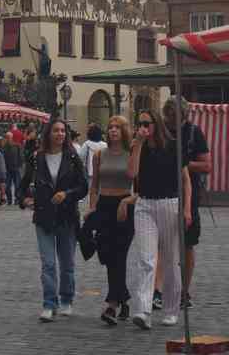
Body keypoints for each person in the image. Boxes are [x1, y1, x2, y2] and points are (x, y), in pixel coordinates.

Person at [126, 109, 192, 331]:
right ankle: (143, 310)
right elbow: (131, 174)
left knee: (171, 260)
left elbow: (186, 180)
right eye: (140, 123)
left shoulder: (173, 146)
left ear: (157, 124)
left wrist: (187, 209)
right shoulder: (139, 146)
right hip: (145, 204)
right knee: (146, 259)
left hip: (169, 203)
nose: (143, 127)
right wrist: (138, 144)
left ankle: (171, 309)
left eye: (147, 123)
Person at [18, 118, 88, 322]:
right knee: (48, 263)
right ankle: (49, 303)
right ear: (48, 133)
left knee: (67, 264)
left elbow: (83, 186)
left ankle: (66, 298)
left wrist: (67, 194)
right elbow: (23, 187)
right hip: (44, 216)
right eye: (56, 130)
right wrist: (25, 200)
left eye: (63, 131)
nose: (60, 134)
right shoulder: (36, 158)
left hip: (67, 216)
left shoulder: (72, 157)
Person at [156, 95, 211, 310]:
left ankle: (184, 292)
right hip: (161, 192)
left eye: (176, 117)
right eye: (169, 116)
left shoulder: (193, 133)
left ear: (184, 115)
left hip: (189, 195)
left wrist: (183, 164)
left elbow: (206, 166)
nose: (171, 121)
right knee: (161, 243)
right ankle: (158, 291)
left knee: (187, 244)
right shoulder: (160, 130)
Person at [87, 116, 135, 326]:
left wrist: (128, 201)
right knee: (107, 255)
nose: (113, 130)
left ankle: (112, 305)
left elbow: (140, 187)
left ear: (124, 131)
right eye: (110, 127)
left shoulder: (132, 153)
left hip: (124, 206)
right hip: (104, 206)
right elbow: (94, 185)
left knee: (119, 255)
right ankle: (123, 298)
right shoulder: (99, 154)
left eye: (117, 127)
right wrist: (92, 208)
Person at [3, 133, 22, 204]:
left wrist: (19, 165)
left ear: (12, 137)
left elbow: (20, 156)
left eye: (9, 137)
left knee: (17, 185)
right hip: (7, 168)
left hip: (15, 168)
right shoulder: (4, 147)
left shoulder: (17, 146)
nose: (8, 139)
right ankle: (9, 200)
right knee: (7, 186)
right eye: (6, 137)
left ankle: (17, 199)